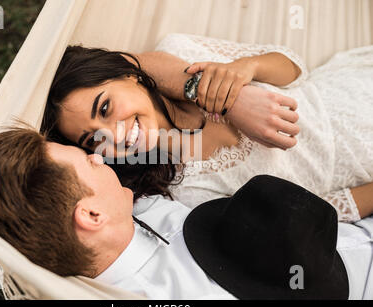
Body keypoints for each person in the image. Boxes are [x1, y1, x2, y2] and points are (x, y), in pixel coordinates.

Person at [0, 128, 373, 299]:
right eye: (88, 163)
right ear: (91, 216)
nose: (101, 160)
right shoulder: (166, 296)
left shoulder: (130, 208)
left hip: (346, 229)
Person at [41, 33, 373, 223]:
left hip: (348, 87)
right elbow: (306, 214)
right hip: (362, 164)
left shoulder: (181, 53)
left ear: (129, 75)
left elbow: (296, 69)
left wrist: (245, 70)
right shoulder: (188, 190)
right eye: (93, 138)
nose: (113, 134)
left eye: (105, 107)